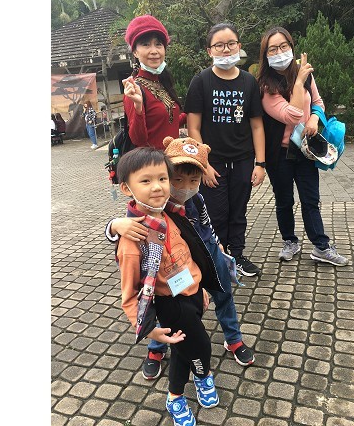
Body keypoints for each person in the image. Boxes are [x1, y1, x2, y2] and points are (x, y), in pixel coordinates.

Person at [106, 136, 255, 380]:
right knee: (163, 304)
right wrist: (114, 225)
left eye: (194, 180)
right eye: (176, 179)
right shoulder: (156, 203)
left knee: (224, 293)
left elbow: (206, 224)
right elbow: (131, 223)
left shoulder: (196, 198)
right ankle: (156, 347)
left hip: (205, 252)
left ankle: (233, 338)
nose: (185, 187)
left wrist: (217, 244)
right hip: (171, 264)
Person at [114, 147, 222, 425]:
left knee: (183, 349)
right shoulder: (133, 238)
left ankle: (180, 393)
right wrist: (147, 328)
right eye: (146, 180)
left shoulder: (172, 213)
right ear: (126, 188)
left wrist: (201, 286)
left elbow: (191, 253)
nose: (157, 187)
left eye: (162, 179)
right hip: (171, 304)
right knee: (200, 348)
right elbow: (128, 295)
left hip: (193, 293)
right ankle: (193, 384)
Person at [256, 27, 348, 265]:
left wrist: (315, 118)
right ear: (265, 54)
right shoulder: (265, 87)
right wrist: (298, 83)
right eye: (273, 49)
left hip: (306, 150)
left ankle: (321, 246)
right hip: (279, 153)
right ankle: (290, 241)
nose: (279, 52)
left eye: (283, 46)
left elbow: (317, 102)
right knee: (284, 200)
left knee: (310, 199)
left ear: (291, 46)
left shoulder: (305, 73)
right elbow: (292, 115)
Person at [184, 22, 266, 277]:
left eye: (231, 44)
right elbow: (193, 127)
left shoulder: (249, 82)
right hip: (214, 162)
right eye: (219, 45)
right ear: (209, 50)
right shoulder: (201, 81)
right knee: (216, 213)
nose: (226, 49)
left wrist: (260, 164)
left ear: (239, 46)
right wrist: (204, 165)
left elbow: (257, 125)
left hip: (243, 160)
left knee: (238, 211)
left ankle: (237, 255)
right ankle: (217, 258)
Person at [123, 15, 187, 150]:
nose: (154, 51)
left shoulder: (163, 83)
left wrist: (196, 110)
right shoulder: (135, 89)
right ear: (135, 52)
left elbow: (169, 122)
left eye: (158, 44)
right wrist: (138, 106)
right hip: (154, 162)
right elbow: (138, 140)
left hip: (173, 159)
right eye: (146, 44)